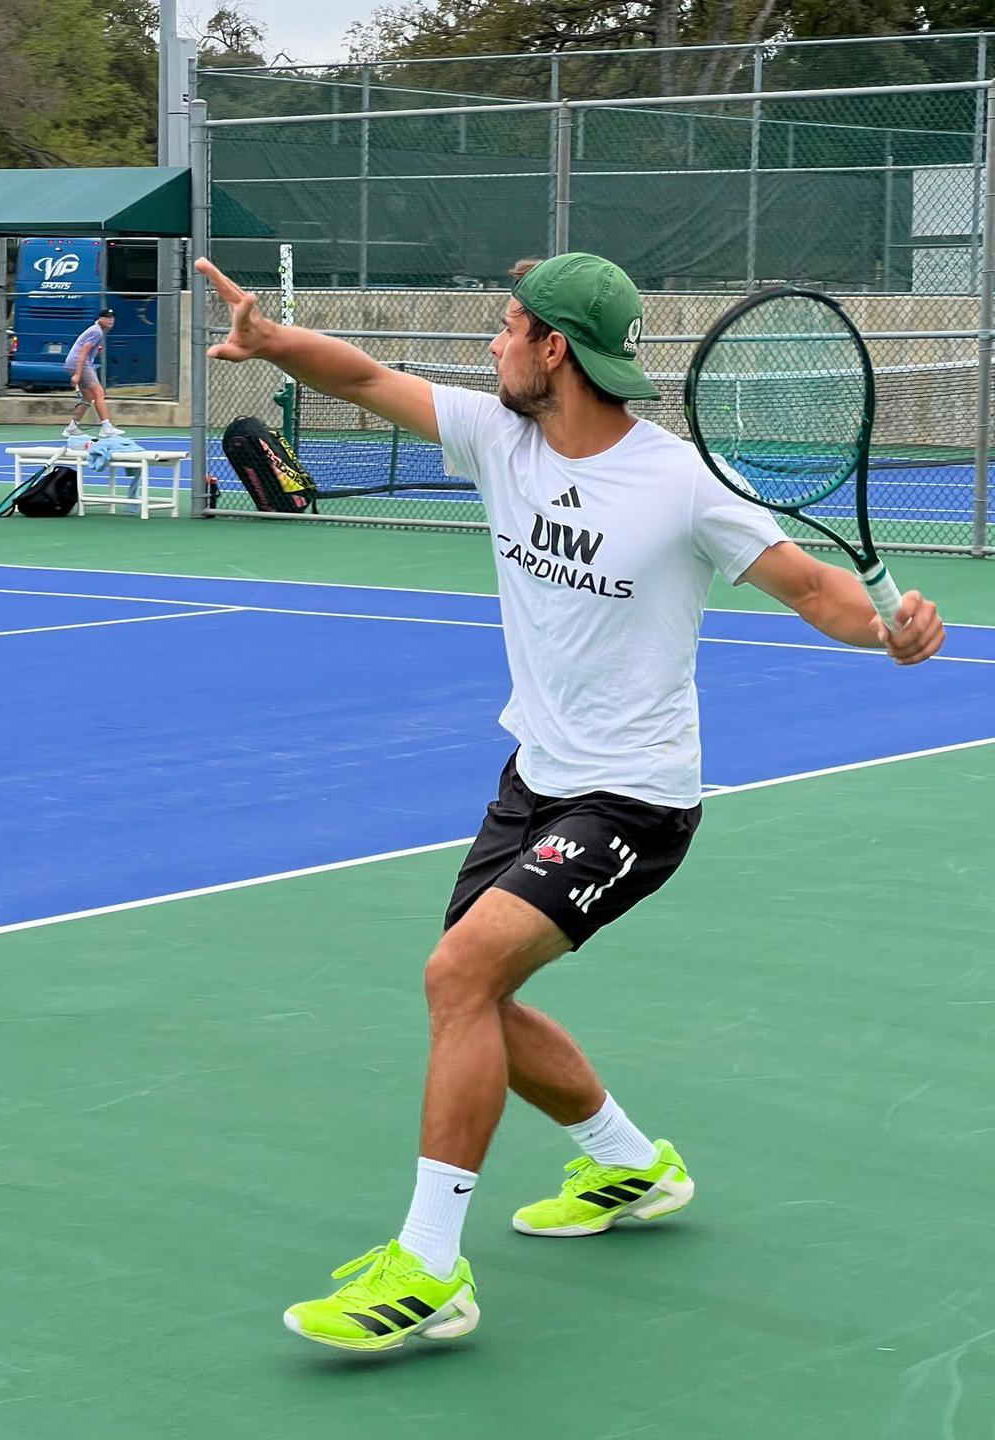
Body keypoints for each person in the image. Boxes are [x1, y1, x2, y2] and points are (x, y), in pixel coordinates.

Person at [195, 251, 945, 1355]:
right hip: (533, 780)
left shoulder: (684, 483)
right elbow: (363, 379)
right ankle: (630, 1163)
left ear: (557, 349)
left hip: (633, 800)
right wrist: (271, 346)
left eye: (507, 327)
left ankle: (429, 1269)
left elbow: (816, 587)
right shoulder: (500, 434)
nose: (491, 343)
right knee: (477, 1002)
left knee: (457, 974)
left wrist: (889, 628)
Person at [62, 307, 123, 438]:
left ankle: (72, 427)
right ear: (101, 319)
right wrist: (77, 374)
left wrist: (97, 349)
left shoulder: (96, 331)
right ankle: (106, 427)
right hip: (79, 364)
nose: (111, 320)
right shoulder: (97, 332)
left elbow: (86, 349)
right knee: (99, 391)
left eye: (112, 317)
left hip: (73, 363)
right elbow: (83, 353)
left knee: (88, 396)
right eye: (107, 317)